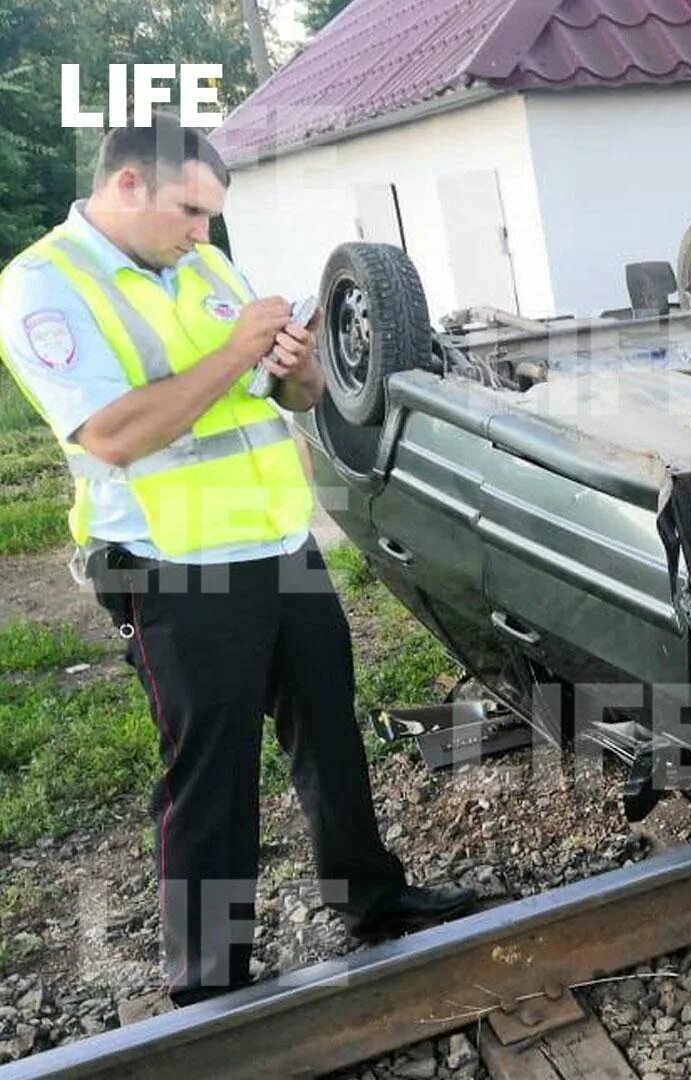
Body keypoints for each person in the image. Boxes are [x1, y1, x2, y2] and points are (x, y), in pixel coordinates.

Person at [0, 114, 474, 1007]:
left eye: (212, 216)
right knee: (211, 767)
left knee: (329, 727)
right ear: (127, 185)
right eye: (189, 211)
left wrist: (295, 366)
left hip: (277, 541)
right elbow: (112, 434)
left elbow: (282, 392)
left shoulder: (206, 264)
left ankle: (371, 898)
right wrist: (235, 352)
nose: (202, 233)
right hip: (172, 562)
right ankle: (209, 983)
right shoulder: (40, 287)